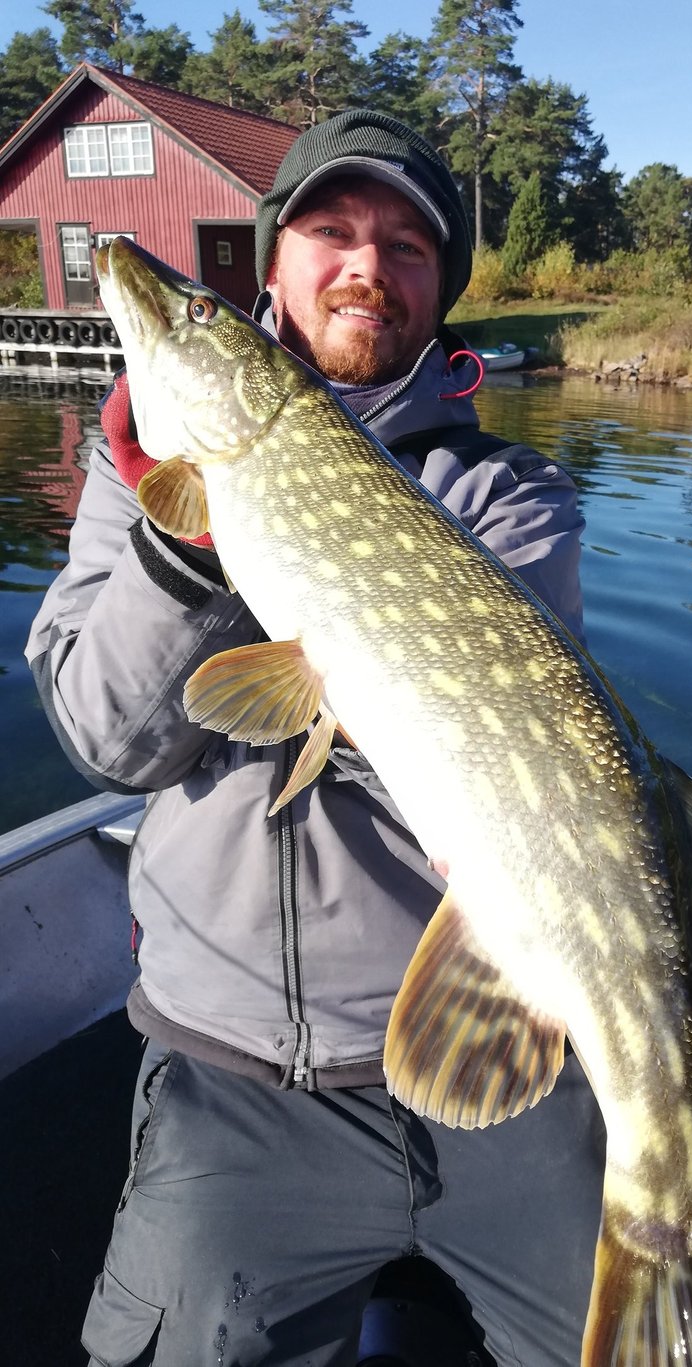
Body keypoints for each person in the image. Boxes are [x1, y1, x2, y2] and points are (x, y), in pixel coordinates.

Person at [26, 109, 604, 1367]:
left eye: (405, 244)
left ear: (439, 285)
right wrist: (188, 548)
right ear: (275, 264)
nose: (365, 263)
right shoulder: (138, 481)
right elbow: (109, 745)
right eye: (330, 231)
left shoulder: (501, 495)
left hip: (493, 1051)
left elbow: (504, 757)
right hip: (235, 1076)